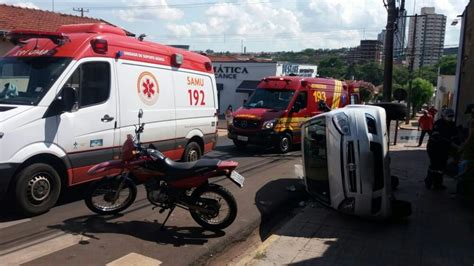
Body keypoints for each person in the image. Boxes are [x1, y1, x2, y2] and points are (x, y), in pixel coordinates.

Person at [425, 108, 459, 190]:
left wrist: (456, 144)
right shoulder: (438, 123)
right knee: (434, 165)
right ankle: (428, 182)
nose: (450, 117)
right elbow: (437, 136)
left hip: (445, 149)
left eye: (452, 116)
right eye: (449, 116)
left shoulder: (452, 125)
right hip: (434, 148)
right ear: (443, 116)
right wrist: (450, 142)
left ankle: (438, 184)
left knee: (441, 167)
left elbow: (455, 136)